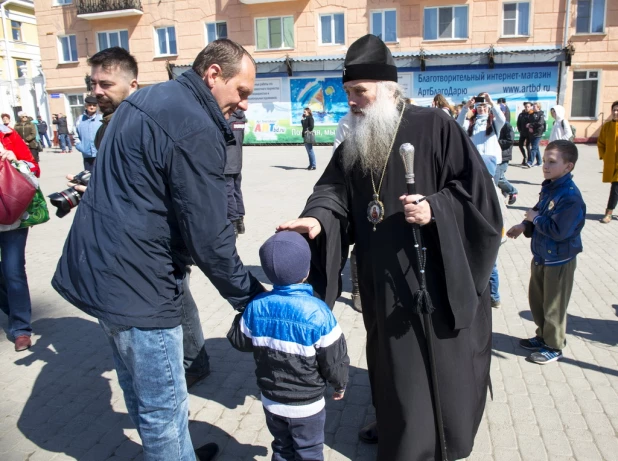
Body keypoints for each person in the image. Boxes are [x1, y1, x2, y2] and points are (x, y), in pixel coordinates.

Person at [278, 34, 502, 461]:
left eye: (359, 92)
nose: (352, 101)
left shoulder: (435, 126)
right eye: (347, 93)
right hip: (380, 277)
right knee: (389, 361)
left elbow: (480, 199)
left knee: (424, 361)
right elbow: (332, 193)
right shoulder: (355, 142)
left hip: (430, 274)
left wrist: (436, 209)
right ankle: (394, 421)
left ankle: (427, 442)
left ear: (387, 89)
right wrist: (315, 218)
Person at [52, 39, 264, 460]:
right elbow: (210, 237)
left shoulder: (150, 96)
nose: (242, 105)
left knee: (140, 394)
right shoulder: (194, 124)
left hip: (105, 276)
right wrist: (252, 299)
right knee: (163, 409)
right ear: (213, 75)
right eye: (241, 92)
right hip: (139, 288)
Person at [67, 47, 212, 390]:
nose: (96, 91)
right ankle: (188, 358)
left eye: (105, 83)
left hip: (156, 236)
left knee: (179, 295)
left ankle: (194, 360)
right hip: (128, 239)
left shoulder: (149, 117)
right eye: (93, 83)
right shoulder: (108, 125)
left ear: (132, 83)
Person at [229, 231, 349, 461]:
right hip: (307, 405)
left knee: (282, 448)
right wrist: (340, 384)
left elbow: (239, 340)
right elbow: (334, 359)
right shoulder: (318, 312)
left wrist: (245, 312)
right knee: (309, 451)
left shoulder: (257, 306)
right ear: (306, 271)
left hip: (272, 401)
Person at [506, 140, 585, 364]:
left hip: (559, 260)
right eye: (544, 161)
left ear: (568, 166)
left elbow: (559, 231)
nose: (545, 166)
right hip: (542, 256)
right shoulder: (550, 186)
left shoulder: (570, 196)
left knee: (554, 306)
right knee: (538, 300)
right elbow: (539, 211)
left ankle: (554, 345)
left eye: (552, 162)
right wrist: (525, 226)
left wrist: (535, 219)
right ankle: (543, 336)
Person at [0, 124, 40, 352]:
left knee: (13, 271)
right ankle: (13, 311)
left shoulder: (7, 134)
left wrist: (14, 158)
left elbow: (34, 168)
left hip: (12, 215)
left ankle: (21, 329)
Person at [457, 92, 506, 176]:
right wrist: (466, 107)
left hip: (493, 163)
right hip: (476, 163)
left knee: (492, 188)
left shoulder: (493, 122)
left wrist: (491, 102)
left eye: (484, 106)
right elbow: (458, 124)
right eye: (479, 106)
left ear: (488, 107)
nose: (482, 109)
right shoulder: (470, 123)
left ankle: (511, 189)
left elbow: (502, 119)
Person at [225, 109, 247, 235]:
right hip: (237, 159)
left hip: (227, 160)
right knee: (237, 190)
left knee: (228, 192)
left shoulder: (229, 118)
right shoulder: (241, 118)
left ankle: (233, 222)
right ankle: (240, 222)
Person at [597, 100, 618, 224]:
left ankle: (609, 212)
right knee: (615, 188)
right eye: (614, 110)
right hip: (612, 163)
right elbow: (601, 143)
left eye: (617, 110)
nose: (615, 112)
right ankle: (609, 213)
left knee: (616, 188)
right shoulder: (607, 126)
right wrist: (604, 156)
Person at [496, 105, 518, 205]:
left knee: (499, 177)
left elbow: (510, 140)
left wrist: (496, 142)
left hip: (504, 155)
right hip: (496, 155)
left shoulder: (507, 125)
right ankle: (505, 191)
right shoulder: (494, 124)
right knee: (498, 177)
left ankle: (512, 191)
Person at [74, 95, 103, 172]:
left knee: (100, 175)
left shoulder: (101, 118)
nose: (92, 107)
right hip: (87, 154)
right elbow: (75, 135)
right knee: (88, 176)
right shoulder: (80, 119)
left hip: (100, 153)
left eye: (94, 105)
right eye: (90, 105)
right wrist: (80, 147)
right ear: (86, 106)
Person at [525, 102, 545, 167]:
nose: (533, 107)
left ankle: (530, 162)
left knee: (533, 148)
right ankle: (539, 162)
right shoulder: (531, 114)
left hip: (538, 133)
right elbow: (529, 121)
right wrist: (529, 126)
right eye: (533, 106)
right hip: (532, 133)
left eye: (534, 106)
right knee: (536, 147)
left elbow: (540, 123)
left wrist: (531, 125)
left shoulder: (541, 114)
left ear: (538, 107)